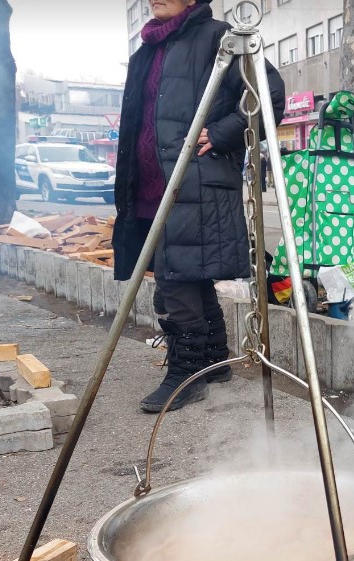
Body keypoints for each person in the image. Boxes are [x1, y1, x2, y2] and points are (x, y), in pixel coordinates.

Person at [111, 0, 285, 413]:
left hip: (198, 181)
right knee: (188, 272)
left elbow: (268, 94)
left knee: (176, 278)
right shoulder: (147, 51)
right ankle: (214, 361)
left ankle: (186, 374)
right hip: (151, 185)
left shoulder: (218, 37)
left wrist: (224, 132)